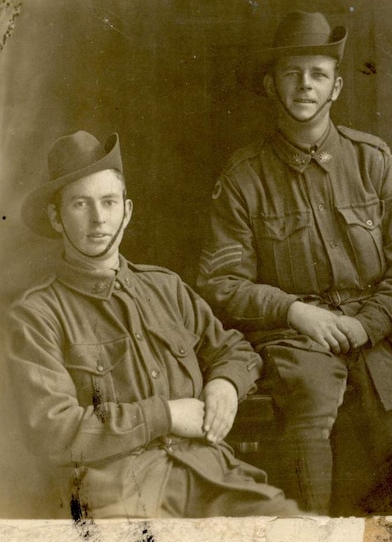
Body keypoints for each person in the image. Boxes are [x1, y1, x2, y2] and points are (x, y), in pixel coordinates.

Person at [195, 11, 392, 516]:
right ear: (271, 84)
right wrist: (295, 312)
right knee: (309, 407)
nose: (305, 85)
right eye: (292, 73)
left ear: (336, 86)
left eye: (318, 74)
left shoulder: (373, 161)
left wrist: (364, 324)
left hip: (380, 336)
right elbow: (220, 281)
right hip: (294, 339)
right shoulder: (244, 177)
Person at [3, 131, 299, 518]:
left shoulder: (166, 288)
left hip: (211, 478)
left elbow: (233, 349)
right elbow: (54, 430)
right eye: (80, 204)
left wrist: (227, 384)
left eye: (108, 202)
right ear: (57, 217)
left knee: (293, 524)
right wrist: (167, 415)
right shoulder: (36, 315)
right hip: (117, 498)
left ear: (127, 211)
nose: (98, 218)